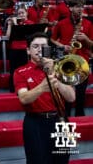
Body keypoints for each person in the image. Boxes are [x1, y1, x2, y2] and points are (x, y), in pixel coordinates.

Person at [14, 32, 75, 164]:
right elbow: (24, 98)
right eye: (35, 46)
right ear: (28, 51)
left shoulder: (59, 68)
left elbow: (71, 97)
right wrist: (42, 87)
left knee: (62, 160)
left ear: (49, 49)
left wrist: (54, 74)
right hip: (35, 123)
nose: (39, 49)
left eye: (43, 46)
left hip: (60, 121)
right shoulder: (20, 72)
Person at [50, 0, 93, 116]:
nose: (80, 9)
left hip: (82, 62)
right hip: (66, 61)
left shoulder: (88, 23)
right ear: (70, 8)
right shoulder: (61, 23)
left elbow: (92, 45)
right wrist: (63, 46)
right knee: (67, 92)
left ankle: (80, 115)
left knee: (80, 93)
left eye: (81, 7)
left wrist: (86, 39)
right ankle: (66, 115)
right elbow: (52, 39)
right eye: (77, 6)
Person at [6, 4, 34, 92]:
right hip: (14, 49)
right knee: (13, 70)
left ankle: (25, 88)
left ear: (26, 13)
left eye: (23, 13)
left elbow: (21, 32)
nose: (21, 15)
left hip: (24, 49)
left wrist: (15, 23)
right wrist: (10, 25)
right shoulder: (14, 23)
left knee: (25, 70)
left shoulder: (30, 23)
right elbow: (7, 36)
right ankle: (13, 89)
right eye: (19, 13)